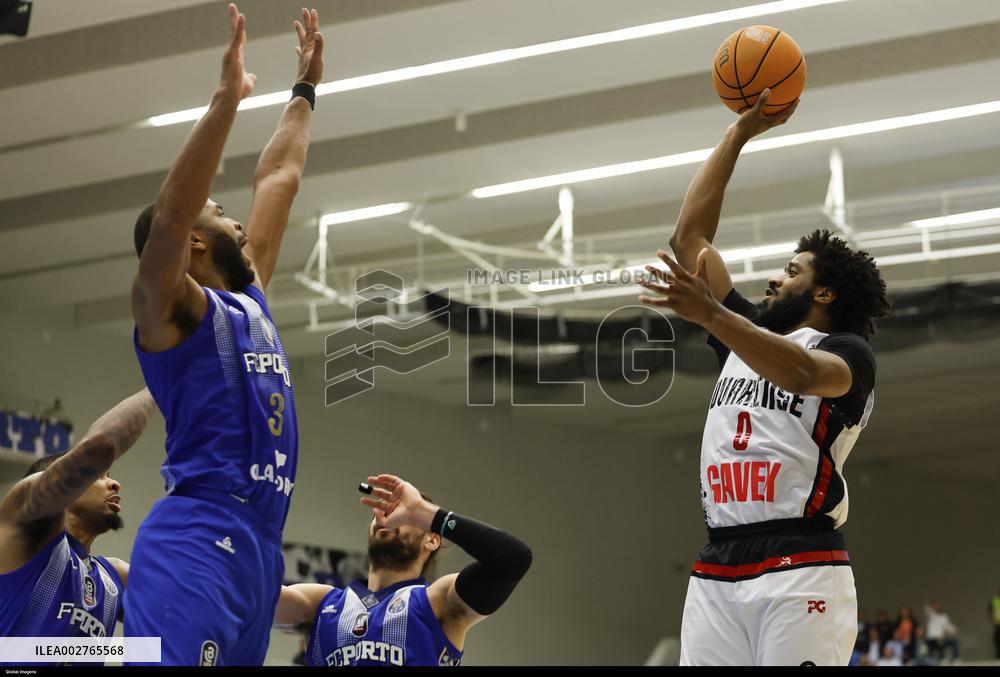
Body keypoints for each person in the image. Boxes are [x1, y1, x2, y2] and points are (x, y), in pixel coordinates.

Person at [638, 88, 890, 666]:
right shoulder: (741, 334)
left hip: (801, 564)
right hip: (717, 562)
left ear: (824, 293)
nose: (774, 280)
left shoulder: (846, 352)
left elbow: (803, 373)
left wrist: (712, 314)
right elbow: (690, 241)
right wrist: (739, 134)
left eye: (792, 271)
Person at [124, 4, 323, 665]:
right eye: (222, 212)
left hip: (261, 546)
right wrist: (225, 101)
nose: (240, 221)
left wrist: (304, 92)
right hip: (198, 537)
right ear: (198, 241)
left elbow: (280, 176)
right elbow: (170, 219)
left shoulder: (250, 296)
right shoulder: (168, 310)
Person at [273, 475, 532, 666]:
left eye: (403, 514)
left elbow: (513, 560)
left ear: (432, 539)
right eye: (383, 511)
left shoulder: (438, 602)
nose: (388, 516)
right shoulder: (320, 603)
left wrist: (426, 512)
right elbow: (248, 598)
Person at [0, 390, 155, 646]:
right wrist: (162, 381)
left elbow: (185, 606)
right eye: (101, 476)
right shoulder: (23, 532)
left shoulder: (114, 575)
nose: (115, 483)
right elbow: (98, 448)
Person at [990, 587, 1000, 659]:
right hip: (997, 624)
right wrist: (992, 621)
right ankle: (998, 657)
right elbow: (990, 612)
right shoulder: (994, 601)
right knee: (997, 641)